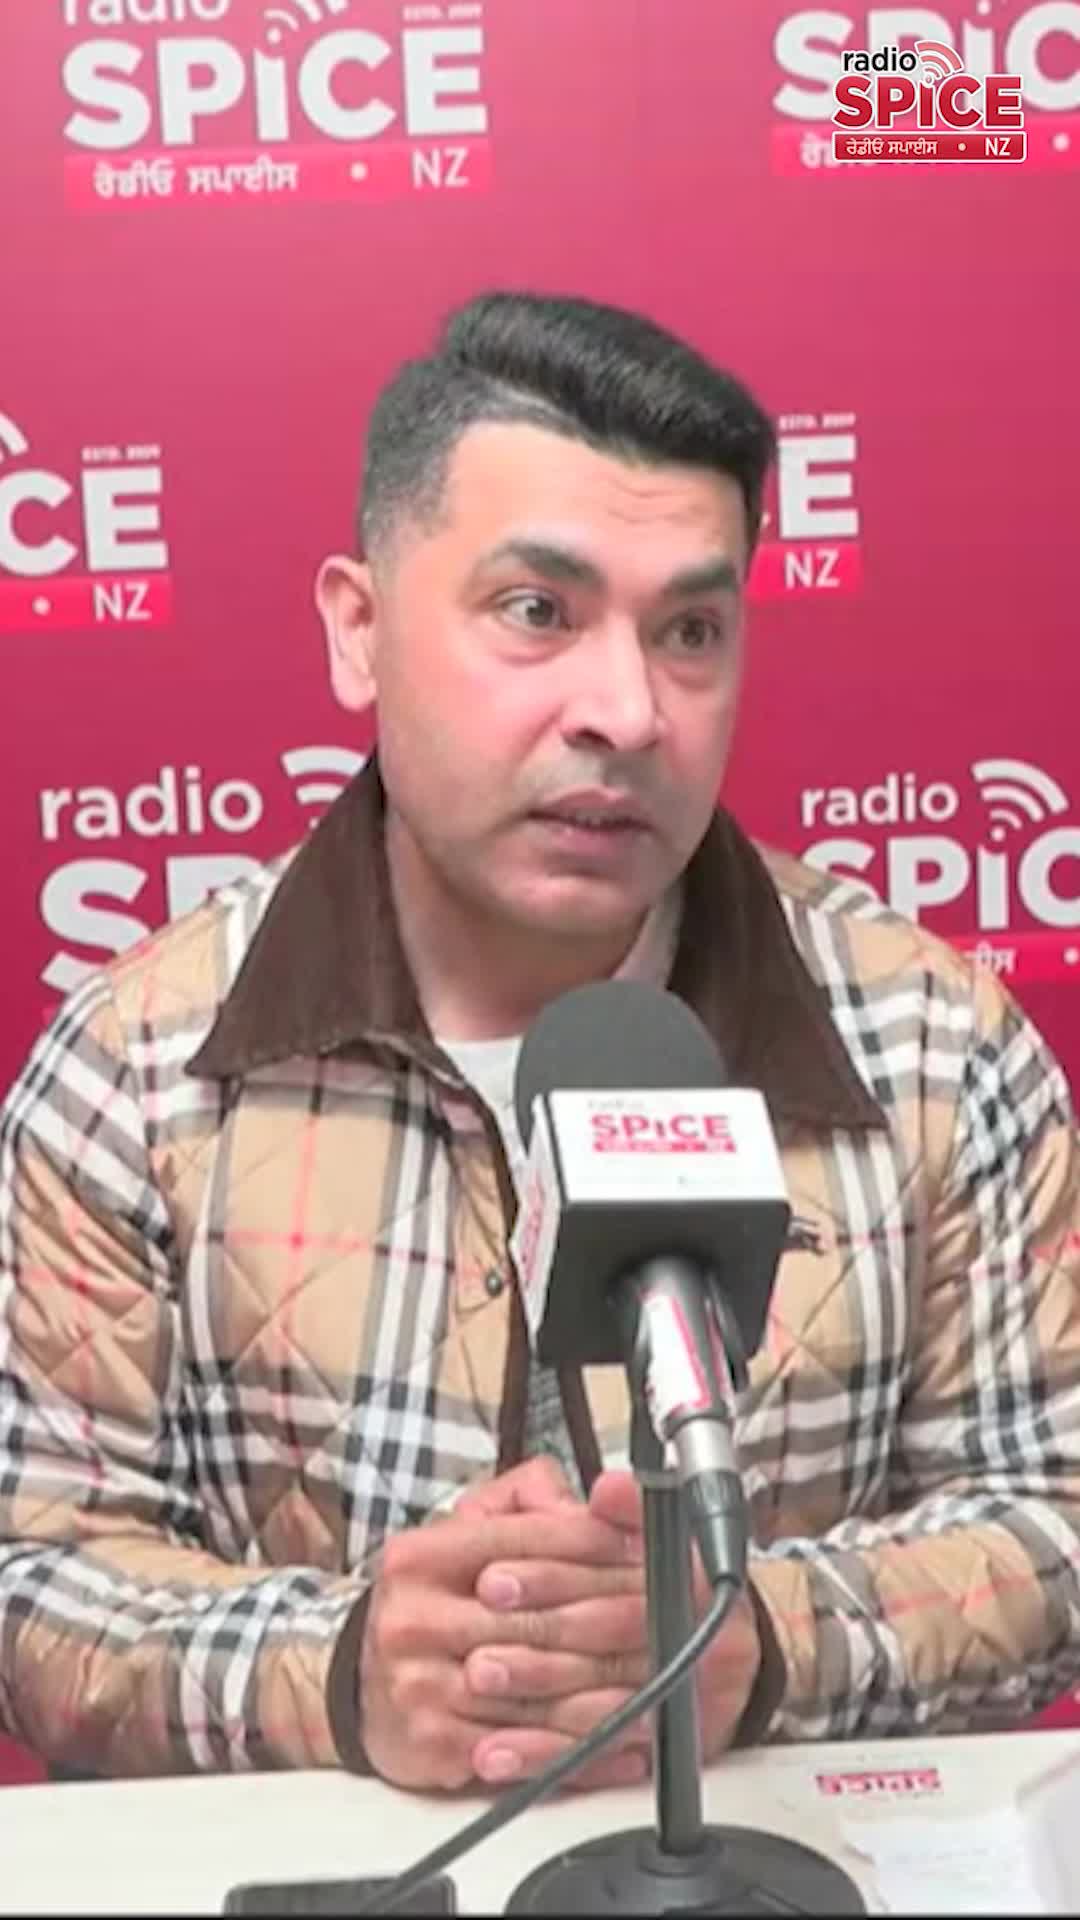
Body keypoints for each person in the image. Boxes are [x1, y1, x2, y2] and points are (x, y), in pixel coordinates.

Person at [1, 291, 1079, 1794]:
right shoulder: (131, 1068)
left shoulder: (936, 1047)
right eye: (537, 613)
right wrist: (338, 1673)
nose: (627, 711)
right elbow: (34, 1569)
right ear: (359, 631)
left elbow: (1053, 1516)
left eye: (691, 632)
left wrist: (762, 1641)